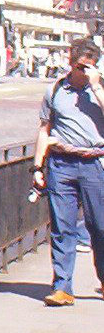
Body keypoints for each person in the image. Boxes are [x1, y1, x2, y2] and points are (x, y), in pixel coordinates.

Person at [32, 39, 104, 306]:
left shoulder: (99, 89)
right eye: (78, 65)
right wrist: (38, 167)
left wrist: (96, 86)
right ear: (70, 62)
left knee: (99, 226)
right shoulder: (54, 90)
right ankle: (63, 287)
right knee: (62, 227)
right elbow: (44, 129)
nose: (81, 71)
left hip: (95, 163)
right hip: (61, 163)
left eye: (87, 66)